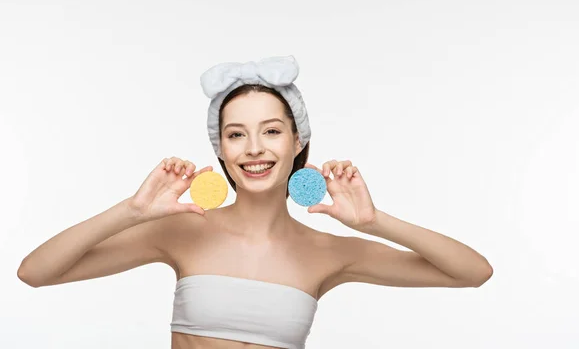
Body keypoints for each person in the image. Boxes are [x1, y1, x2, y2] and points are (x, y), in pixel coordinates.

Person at [17, 55, 493, 349]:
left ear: (296, 141)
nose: (254, 149)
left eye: (271, 131)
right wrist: (131, 211)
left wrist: (374, 222)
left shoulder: (328, 253)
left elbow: (472, 273)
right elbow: (36, 272)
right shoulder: (183, 229)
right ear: (221, 149)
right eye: (236, 134)